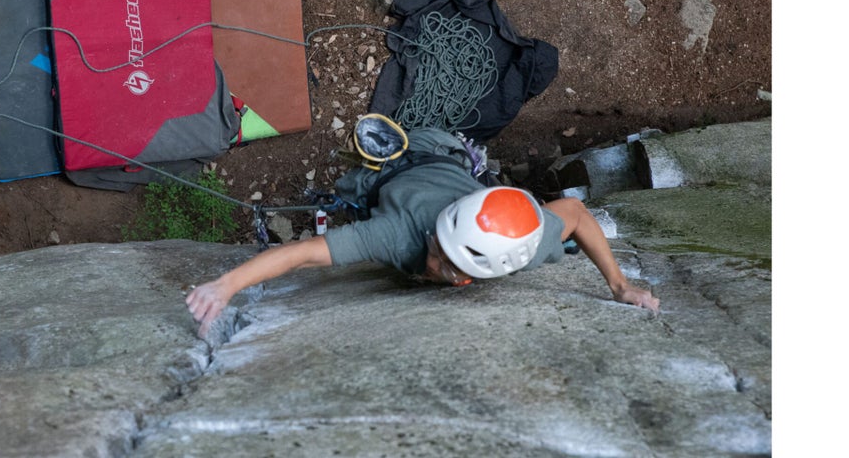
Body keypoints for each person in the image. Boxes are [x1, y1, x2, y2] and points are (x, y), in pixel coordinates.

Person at [186, 126, 660, 337]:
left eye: (442, 260)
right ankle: (408, 155)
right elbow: (302, 255)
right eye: (436, 243)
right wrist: (224, 286)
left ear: (470, 277)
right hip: (420, 156)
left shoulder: (527, 247)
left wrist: (620, 288)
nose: (431, 253)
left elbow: (574, 213)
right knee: (354, 181)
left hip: (457, 179)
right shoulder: (398, 234)